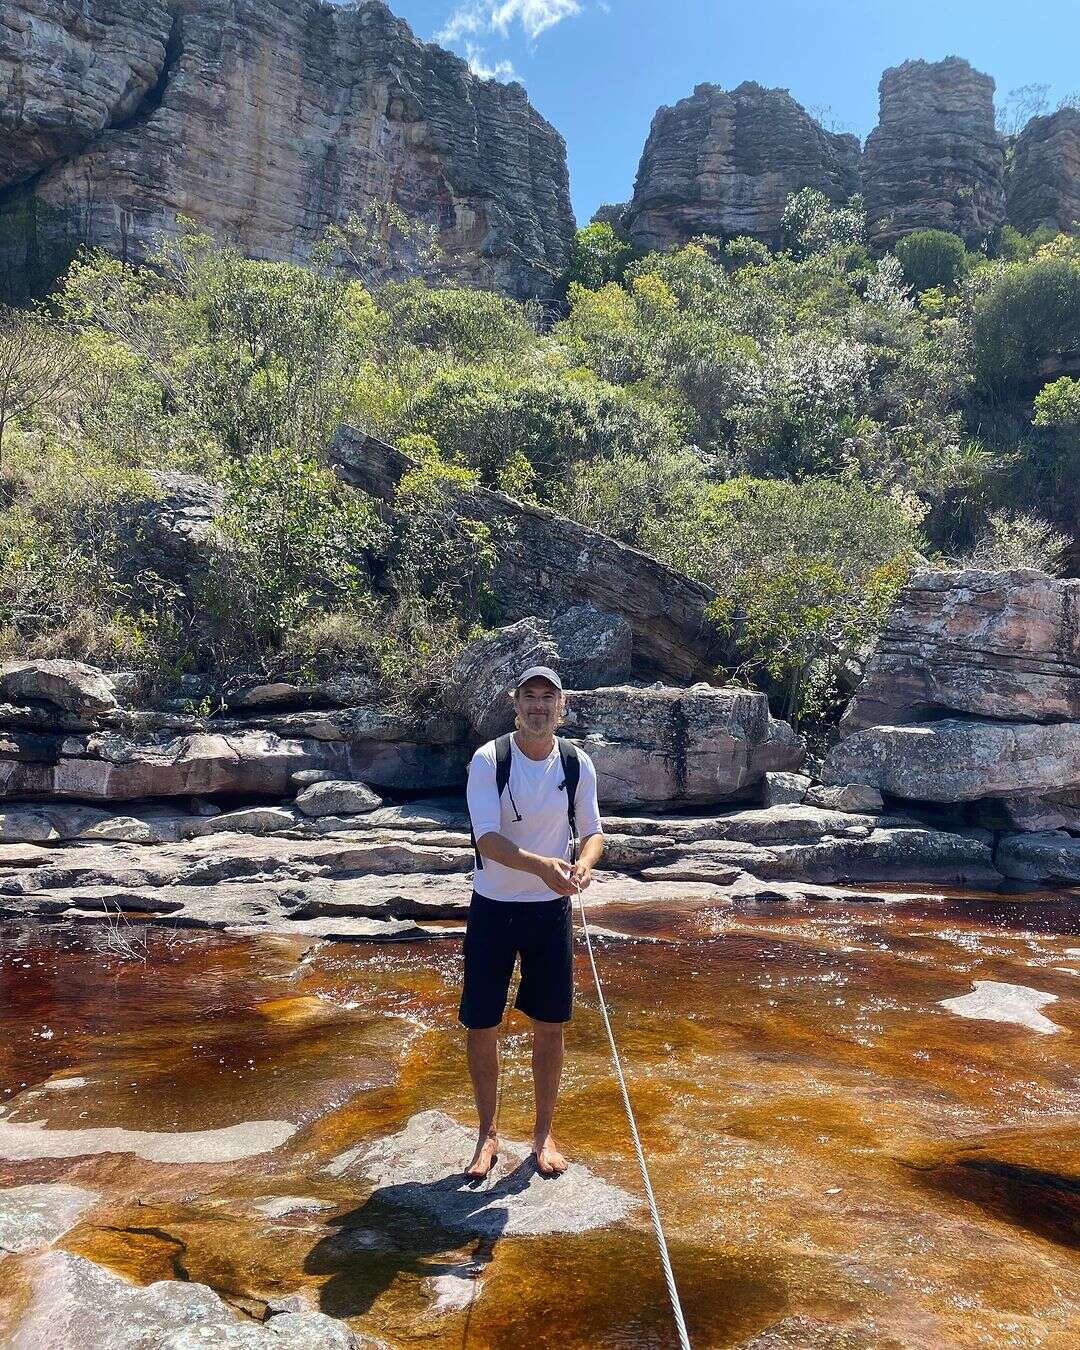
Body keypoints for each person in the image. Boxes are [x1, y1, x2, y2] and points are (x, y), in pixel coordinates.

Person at [460, 665, 604, 1178]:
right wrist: (542, 866)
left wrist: (581, 865)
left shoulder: (576, 762)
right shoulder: (489, 760)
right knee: (482, 1022)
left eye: (549, 697)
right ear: (514, 704)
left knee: (550, 1023)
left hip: (550, 912)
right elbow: (487, 840)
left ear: (562, 707)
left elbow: (592, 832)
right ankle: (487, 1134)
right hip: (494, 905)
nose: (539, 706)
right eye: (530, 696)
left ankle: (543, 1136)